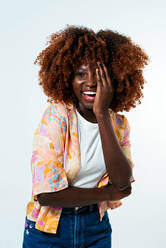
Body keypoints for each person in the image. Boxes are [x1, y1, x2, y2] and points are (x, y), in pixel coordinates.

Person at [22, 25, 149, 248]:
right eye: (81, 74)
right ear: (68, 78)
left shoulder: (118, 125)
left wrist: (102, 114)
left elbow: (123, 184)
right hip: (49, 229)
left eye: (100, 75)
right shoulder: (57, 117)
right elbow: (46, 195)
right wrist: (108, 192)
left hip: (95, 227)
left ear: (114, 78)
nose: (90, 83)